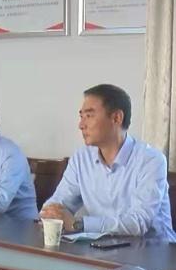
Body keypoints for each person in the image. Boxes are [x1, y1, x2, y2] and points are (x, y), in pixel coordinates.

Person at [40, 84, 176, 241]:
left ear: (116, 118)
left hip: (153, 250)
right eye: (81, 116)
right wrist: (50, 213)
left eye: (89, 116)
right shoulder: (81, 158)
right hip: (103, 247)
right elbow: (58, 203)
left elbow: (138, 222)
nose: (81, 125)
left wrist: (79, 224)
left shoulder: (151, 160)